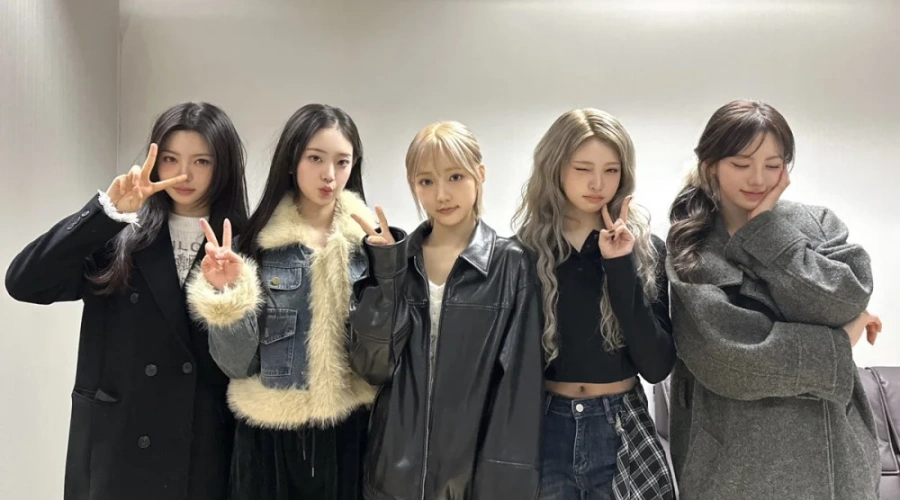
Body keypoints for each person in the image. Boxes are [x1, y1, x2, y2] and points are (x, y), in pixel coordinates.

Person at [5, 101, 250, 500]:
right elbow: (25, 282)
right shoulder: (120, 235)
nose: (184, 174)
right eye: (170, 159)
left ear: (223, 165)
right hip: (119, 446)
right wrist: (106, 213)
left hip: (204, 452)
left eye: (202, 161)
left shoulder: (245, 245)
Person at [665, 99, 882, 499]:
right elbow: (731, 360)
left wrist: (766, 232)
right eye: (741, 163)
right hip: (733, 469)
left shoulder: (818, 224)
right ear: (711, 166)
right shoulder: (692, 245)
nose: (758, 178)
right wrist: (841, 341)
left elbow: (844, 300)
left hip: (836, 462)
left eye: (773, 164)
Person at [185, 104, 375, 500]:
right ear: (291, 161)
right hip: (267, 439)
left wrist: (390, 271)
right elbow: (236, 365)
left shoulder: (372, 248)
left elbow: (383, 359)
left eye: (342, 162)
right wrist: (227, 296)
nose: (329, 174)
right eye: (315, 158)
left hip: (349, 433)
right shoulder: (256, 246)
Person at [348, 121, 544, 499]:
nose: (441, 194)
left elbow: (519, 392)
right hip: (390, 476)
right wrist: (387, 274)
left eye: (455, 176)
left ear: (480, 174)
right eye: (426, 181)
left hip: (474, 480)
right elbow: (373, 368)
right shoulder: (398, 262)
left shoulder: (511, 264)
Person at [513, 108, 675, 500]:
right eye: (583, 168)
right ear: (555, 168)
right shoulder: (522, 253)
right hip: (545, 427)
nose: (598, 184)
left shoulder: (645, 249)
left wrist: (620, 266)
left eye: (611, 170)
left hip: (623, 425)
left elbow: (656, 367)